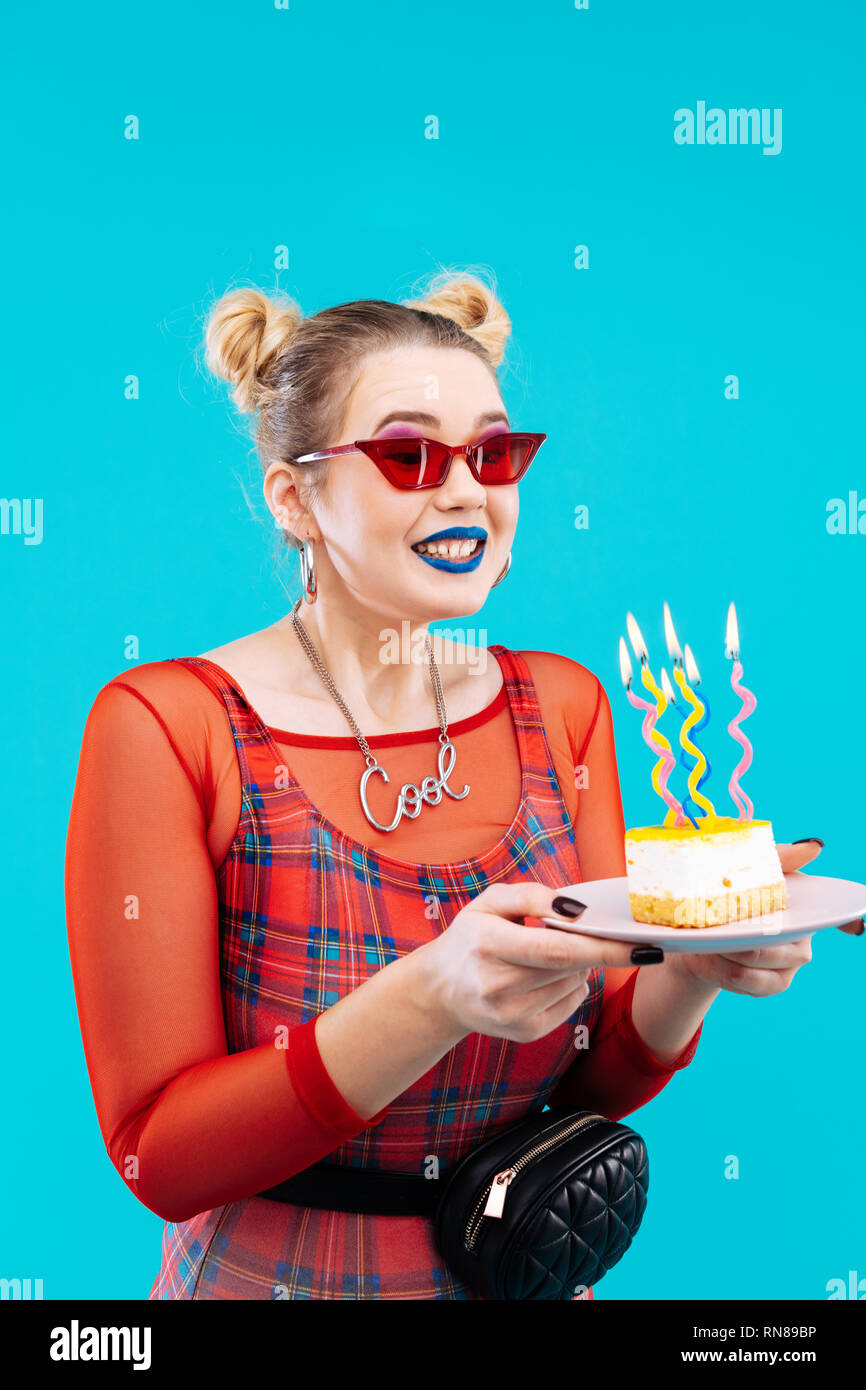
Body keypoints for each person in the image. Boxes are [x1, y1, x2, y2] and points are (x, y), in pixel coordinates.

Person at [64, 271, 854, 1301]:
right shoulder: (171, 725)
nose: (466, 489)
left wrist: (696, 966)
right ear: (296, 496)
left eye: (492, 451)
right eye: (407, 454)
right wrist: (433, 992)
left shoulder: (558, 707)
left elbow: (598, 1076)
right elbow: (160, 1159)